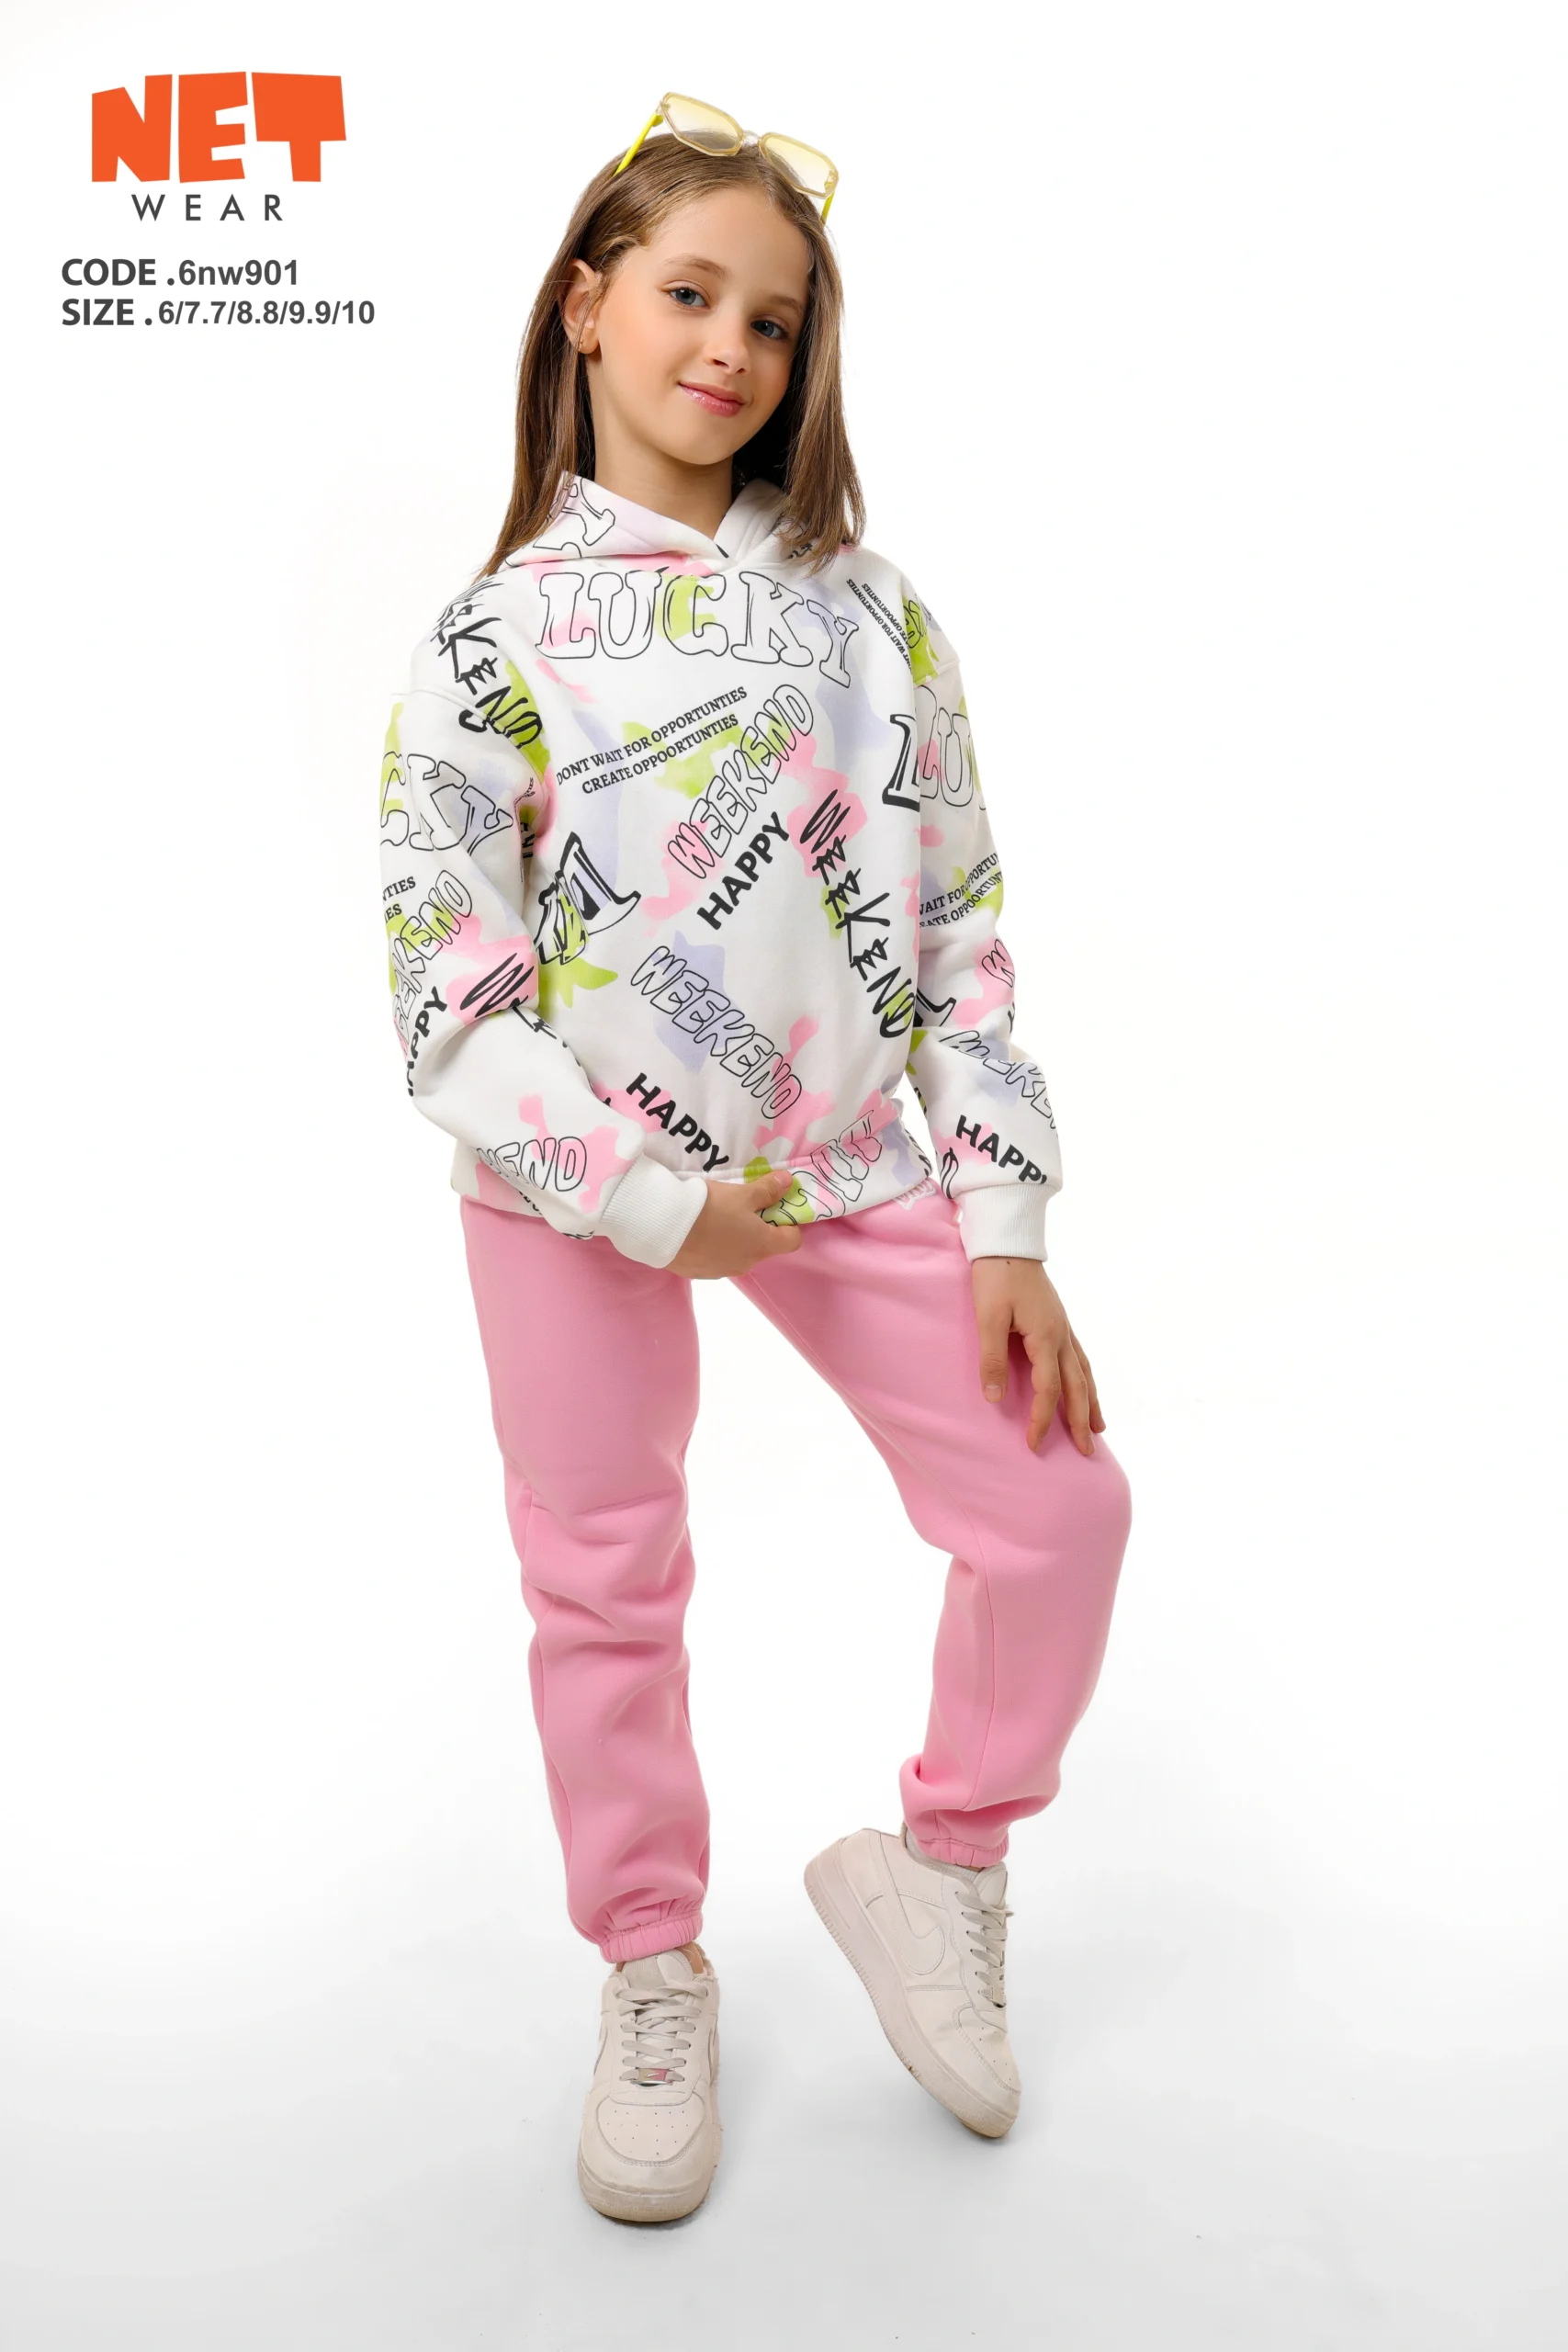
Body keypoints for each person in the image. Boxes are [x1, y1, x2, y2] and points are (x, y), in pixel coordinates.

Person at [379, 93, 1134, 2226]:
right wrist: (639, 1195)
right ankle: (650, 1960)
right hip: (570, 1190)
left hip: (840, 1161)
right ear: (587, 304)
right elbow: (448, 995)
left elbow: (957, 925)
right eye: (689, 293)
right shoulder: (485, 645)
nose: (730, 345)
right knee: (602, 1573)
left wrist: (1000, 1213)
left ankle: (941, 1861)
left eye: (775, 320)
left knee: (1059, 1507)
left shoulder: (871, 618)